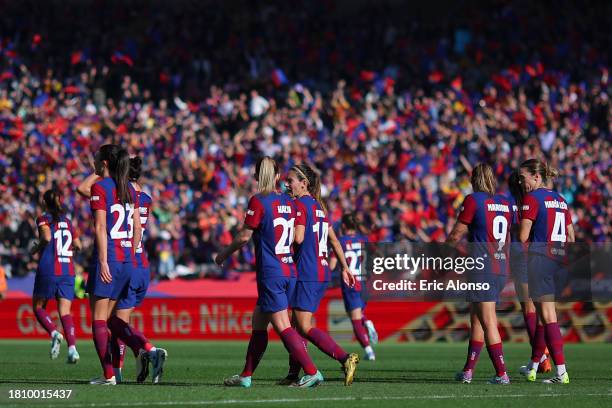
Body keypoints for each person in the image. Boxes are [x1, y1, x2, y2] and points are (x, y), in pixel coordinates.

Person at [215, 156, 325, 388]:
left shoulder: (259, 201)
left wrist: (224, 253)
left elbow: (245, 236)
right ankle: (246, 375)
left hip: (272, 271)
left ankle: (312, 371)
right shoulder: (289, 200)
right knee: (258, 323)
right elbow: (298, 235)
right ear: (277, 176)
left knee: (284, 327)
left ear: (257, 176)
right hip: (289, 269)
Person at [78, 156, 167, 384]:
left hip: (118, 258)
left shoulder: (116, 191)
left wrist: (99, 172)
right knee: (117, 322)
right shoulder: (144, 198)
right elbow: (137, 225)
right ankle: (138, 356)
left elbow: (83, 190)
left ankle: (126, 364)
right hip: (138, 262)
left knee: (109, 321)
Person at [281, 164, 359, 386]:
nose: (288, 184)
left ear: (304, 183)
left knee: (303, 326)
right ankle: (293, 373)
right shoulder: (318, 207)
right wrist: (345, 267)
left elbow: (297, 238)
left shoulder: (300, 206)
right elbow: (333, 239)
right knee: (296, 325)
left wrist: (275, 235)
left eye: (291, 180)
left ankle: (345, 359)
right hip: (320, 270)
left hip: (307, 270)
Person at [447, 163, 512, 385]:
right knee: (477, 319)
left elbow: (456, 234)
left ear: (475, 179)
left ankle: (501, 373)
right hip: (501, 266)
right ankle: (468, 371)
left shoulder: (473, 200)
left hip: (483, 268)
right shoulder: (504, 202)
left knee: (487, 321)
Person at [85, 144, 142, 385]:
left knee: (98, 320)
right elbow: (137, 228)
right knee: (111, 319)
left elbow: (100, 227)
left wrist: (102, 261)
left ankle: (109, 375)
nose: (94, 162)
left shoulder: (100, 186)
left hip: (109, 258)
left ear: (105, 163)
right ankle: (144, 348)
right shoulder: (130, 188)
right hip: (128, 260)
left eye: (96, 158)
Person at [519, 159, 574, 384]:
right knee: (545, 316)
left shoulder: (532, 198)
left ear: (536, 177)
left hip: (541, 259)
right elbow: (571, 237)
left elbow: (523, 236)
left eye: (523, 178)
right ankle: (534, 365)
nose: (521, 183)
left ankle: (561, 373)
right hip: (559, 262)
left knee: (548, 316)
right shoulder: (560, 200)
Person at [508, 171, 552, 375]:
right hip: (542, 256)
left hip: (522, 256)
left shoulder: (516, 204)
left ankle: (540, 357)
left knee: (529, 310)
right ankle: (543, 357)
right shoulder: (538, 200)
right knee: (544, 311)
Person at [31, 189, 82, 364]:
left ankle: (54, 332)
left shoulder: (43, 218)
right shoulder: (67, 222)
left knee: (38, 307)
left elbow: (46, 237)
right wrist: (67, 249)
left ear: (45, 203)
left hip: (49, 268)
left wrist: (35, 249)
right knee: (65, 312)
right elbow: (79, 245)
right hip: (68, 271)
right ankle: (73, 349)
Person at [330, 214, 377, 361]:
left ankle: (369, 352)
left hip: (350, 282)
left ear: (343, 226)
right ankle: (366, 321)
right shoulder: (363, 240)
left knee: (354, 320)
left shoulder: (340, 242)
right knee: (356, 315)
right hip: (363, 282)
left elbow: (332, 265)